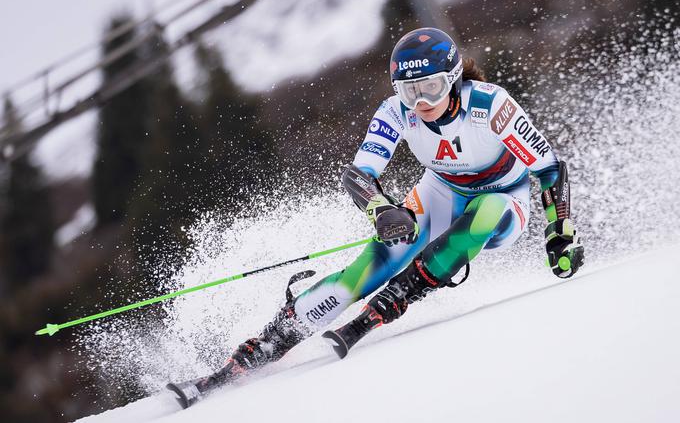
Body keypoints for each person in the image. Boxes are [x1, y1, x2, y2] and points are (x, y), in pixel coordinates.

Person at [167, 27, 585, 407]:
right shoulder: (395, 112)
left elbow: (547, 168)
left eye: (432, 88)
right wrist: (381, 208)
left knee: (486, 209)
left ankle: (401, 294)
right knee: (367, 268)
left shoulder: (491, 105)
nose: (422, 103)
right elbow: (359, 173)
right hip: (440, 192)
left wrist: (559, 230)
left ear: (454, 79)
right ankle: (265, 345)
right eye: (410, 92)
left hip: (503, 198)